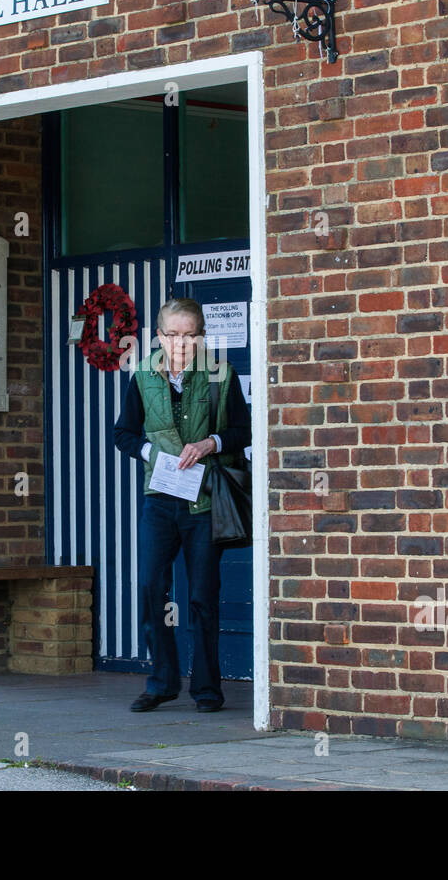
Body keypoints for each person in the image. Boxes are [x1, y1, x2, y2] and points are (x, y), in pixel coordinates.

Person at [112, 297, 251, 713]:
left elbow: (243, 431)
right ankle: (162, 683)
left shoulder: (220, 375)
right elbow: (124, 434)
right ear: (158, 336)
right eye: (172, 335)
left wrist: (212, 442)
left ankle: (207, 690)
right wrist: (150, 453)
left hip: (204, 502)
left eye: (190, 335)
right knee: (152, 587)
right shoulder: (141, 375)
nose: (181, 343)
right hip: (159, 499)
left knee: (203, 598)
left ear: (202, 336)